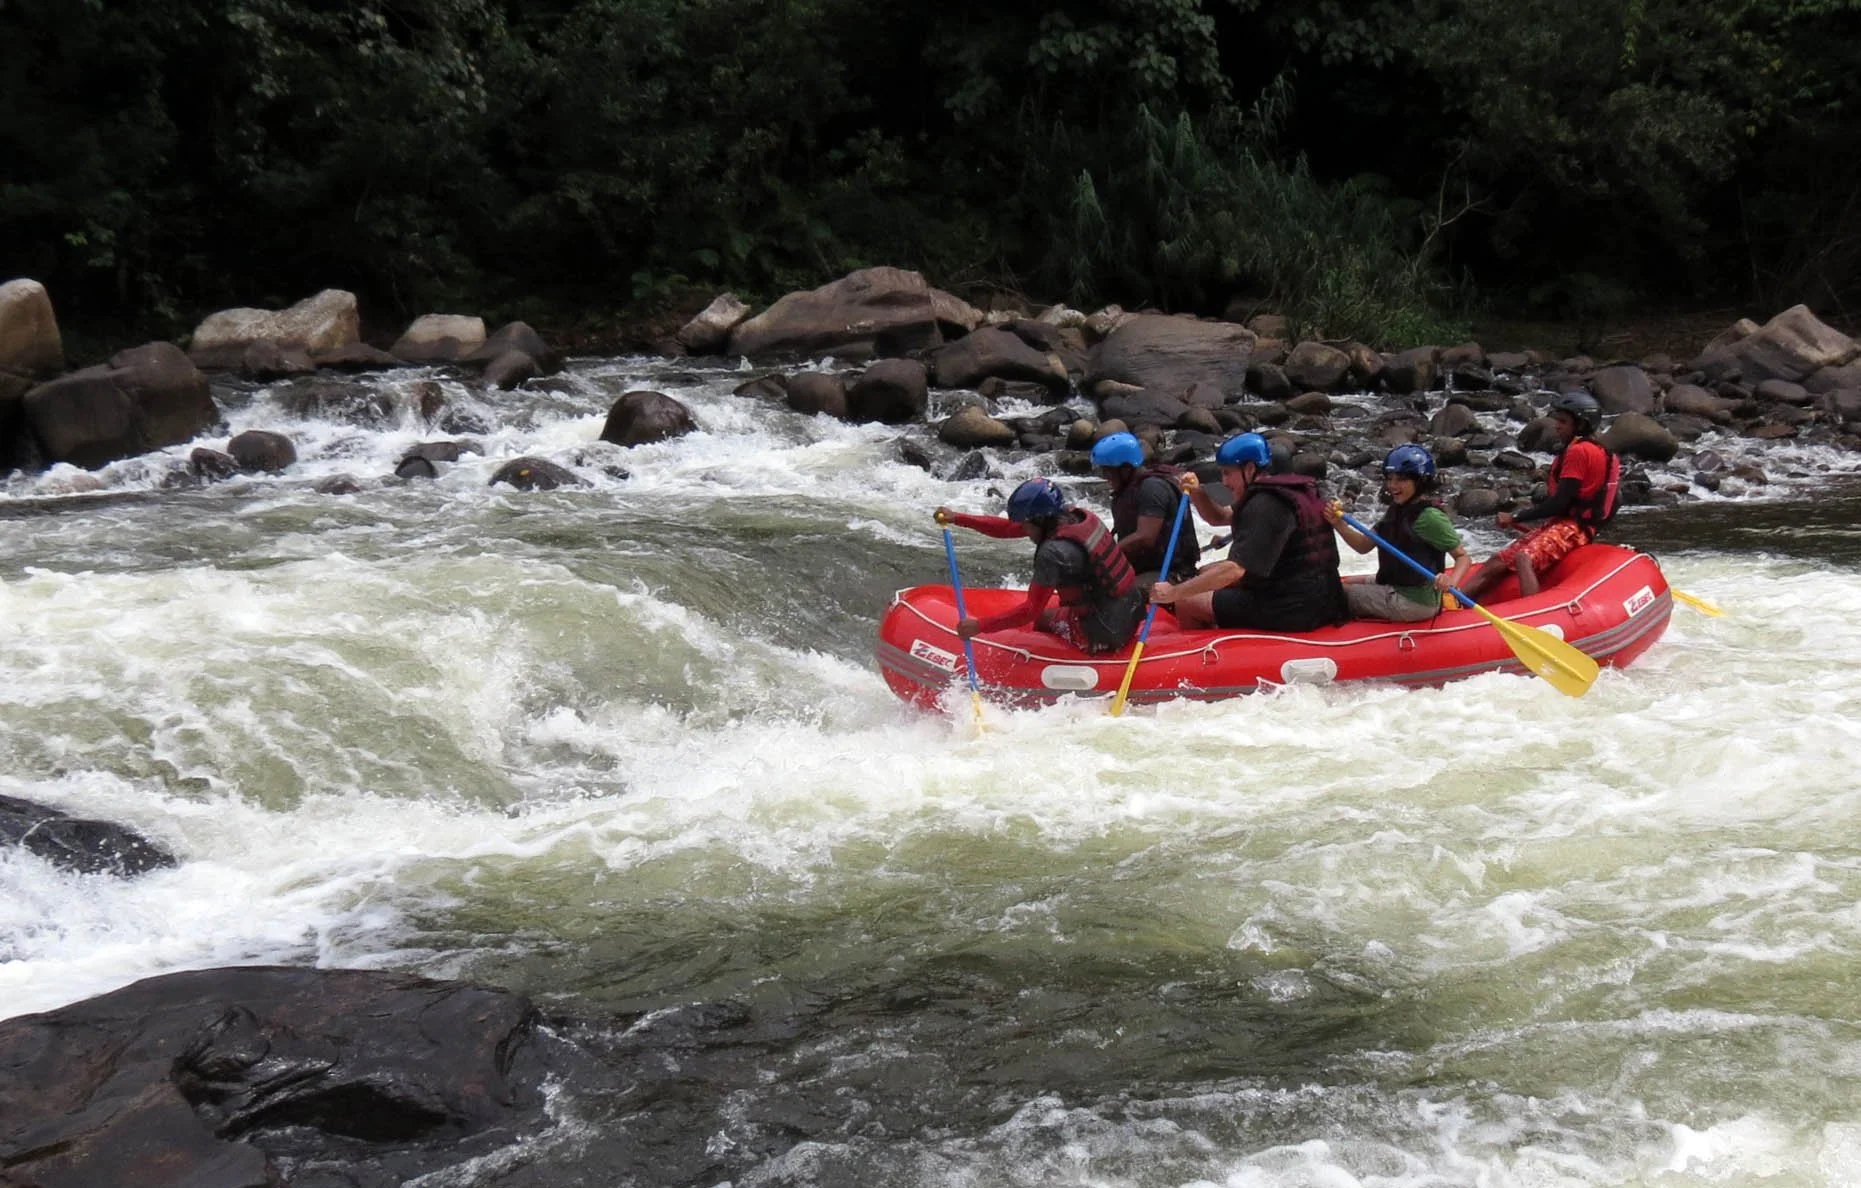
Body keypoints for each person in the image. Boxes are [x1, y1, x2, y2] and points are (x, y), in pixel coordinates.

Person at [1149, 433, 1348, 631]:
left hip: (1294, 608)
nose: (1224, 481)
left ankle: (1201, 656)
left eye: (1228, 473)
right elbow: (1220, 518)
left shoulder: (1265, 504)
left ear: (1250, 469)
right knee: (1205, 573)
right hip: (1323, 596)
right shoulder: (1291, 491)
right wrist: (1198, 492)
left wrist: (1174, 593)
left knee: (1187, 602)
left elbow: (1234, 570)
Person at [934, 478, 1143, 654]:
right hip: (1132, 610)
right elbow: (1007, 529)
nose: (1021, 528)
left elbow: (1030, 611)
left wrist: (979, 626)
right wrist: (959, 518)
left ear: (1039, 520)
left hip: (1104, 630)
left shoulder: (1052, 553)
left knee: (1042, 620)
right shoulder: (1075, 518)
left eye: (1025, 523)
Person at [1461, 390, 1622, 599]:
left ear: (1581, 425)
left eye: (1563, 422)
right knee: (1498, 561)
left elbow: (1559, 504)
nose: (1557, 426)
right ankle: (1453, 603)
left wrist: (1515, 517)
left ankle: (1533, 612)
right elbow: (1615, 500)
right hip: (1567, 523)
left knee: (1523, 559)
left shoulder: (1579, 452)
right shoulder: (1598, 450)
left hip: (1574, 527)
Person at [1324, 444, 1472, 621]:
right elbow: (1363, 546)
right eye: (1390, 478)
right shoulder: (1397, 509)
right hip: (1396, 585)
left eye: (1401, 479)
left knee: (1338, 592)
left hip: (1414, 602)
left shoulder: (1430, 517)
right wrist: (1339, 524)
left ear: (1420, 481)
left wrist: (1451, 581)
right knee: (1343, 583)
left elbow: (1463, 557)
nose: (1392, 486)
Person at [1089, 431, 1200, 584]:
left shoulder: (1152, 488)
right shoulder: (1130, 489)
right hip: (1145, 568)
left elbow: (1146, 537)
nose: (1105, 476)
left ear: (1126, 468)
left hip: (1170, 572)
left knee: (1115, 597)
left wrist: (1106, 555)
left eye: (1107, 470)